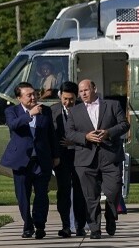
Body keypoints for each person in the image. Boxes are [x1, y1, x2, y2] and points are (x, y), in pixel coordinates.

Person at [64, 79, 129, 239]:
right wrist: (85, 136)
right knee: (90, 197)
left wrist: (108, 133)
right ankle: (95, 228)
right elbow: (69, 133)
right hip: (85, 159)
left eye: (86, 90)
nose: (83, 94)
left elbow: (124, 125)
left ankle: (110, 216)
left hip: (110, 156)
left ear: (94, 88)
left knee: (113, 191)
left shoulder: (112, 105)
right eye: (80, 91)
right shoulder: (74, 111)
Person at [0, 81, 59, 239]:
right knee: (23, 195)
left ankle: (40, 224)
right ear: (19, 98)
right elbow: (13, 125)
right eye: (29, 95)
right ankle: (28, 225)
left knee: (41, 194)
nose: (33, 97)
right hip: (21, 161)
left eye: (34, 94)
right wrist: (29, 114)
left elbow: (51, 134)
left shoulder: (45, 111)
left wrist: (55, 155)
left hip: (41, 160)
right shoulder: (11, 111)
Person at [51, 81, 88, 237]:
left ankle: (80, 226)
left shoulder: (84, 109)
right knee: (64, 192)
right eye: (65, 99)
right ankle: (66, 225)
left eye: (71, 99)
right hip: (62, 158)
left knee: (80, 192)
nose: (68, 103)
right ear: (60, 96)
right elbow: (50, 135)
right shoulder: (53, 111)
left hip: (81, 155)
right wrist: (55, 156)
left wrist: (75, 140)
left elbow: (90, 131)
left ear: (76, 96)